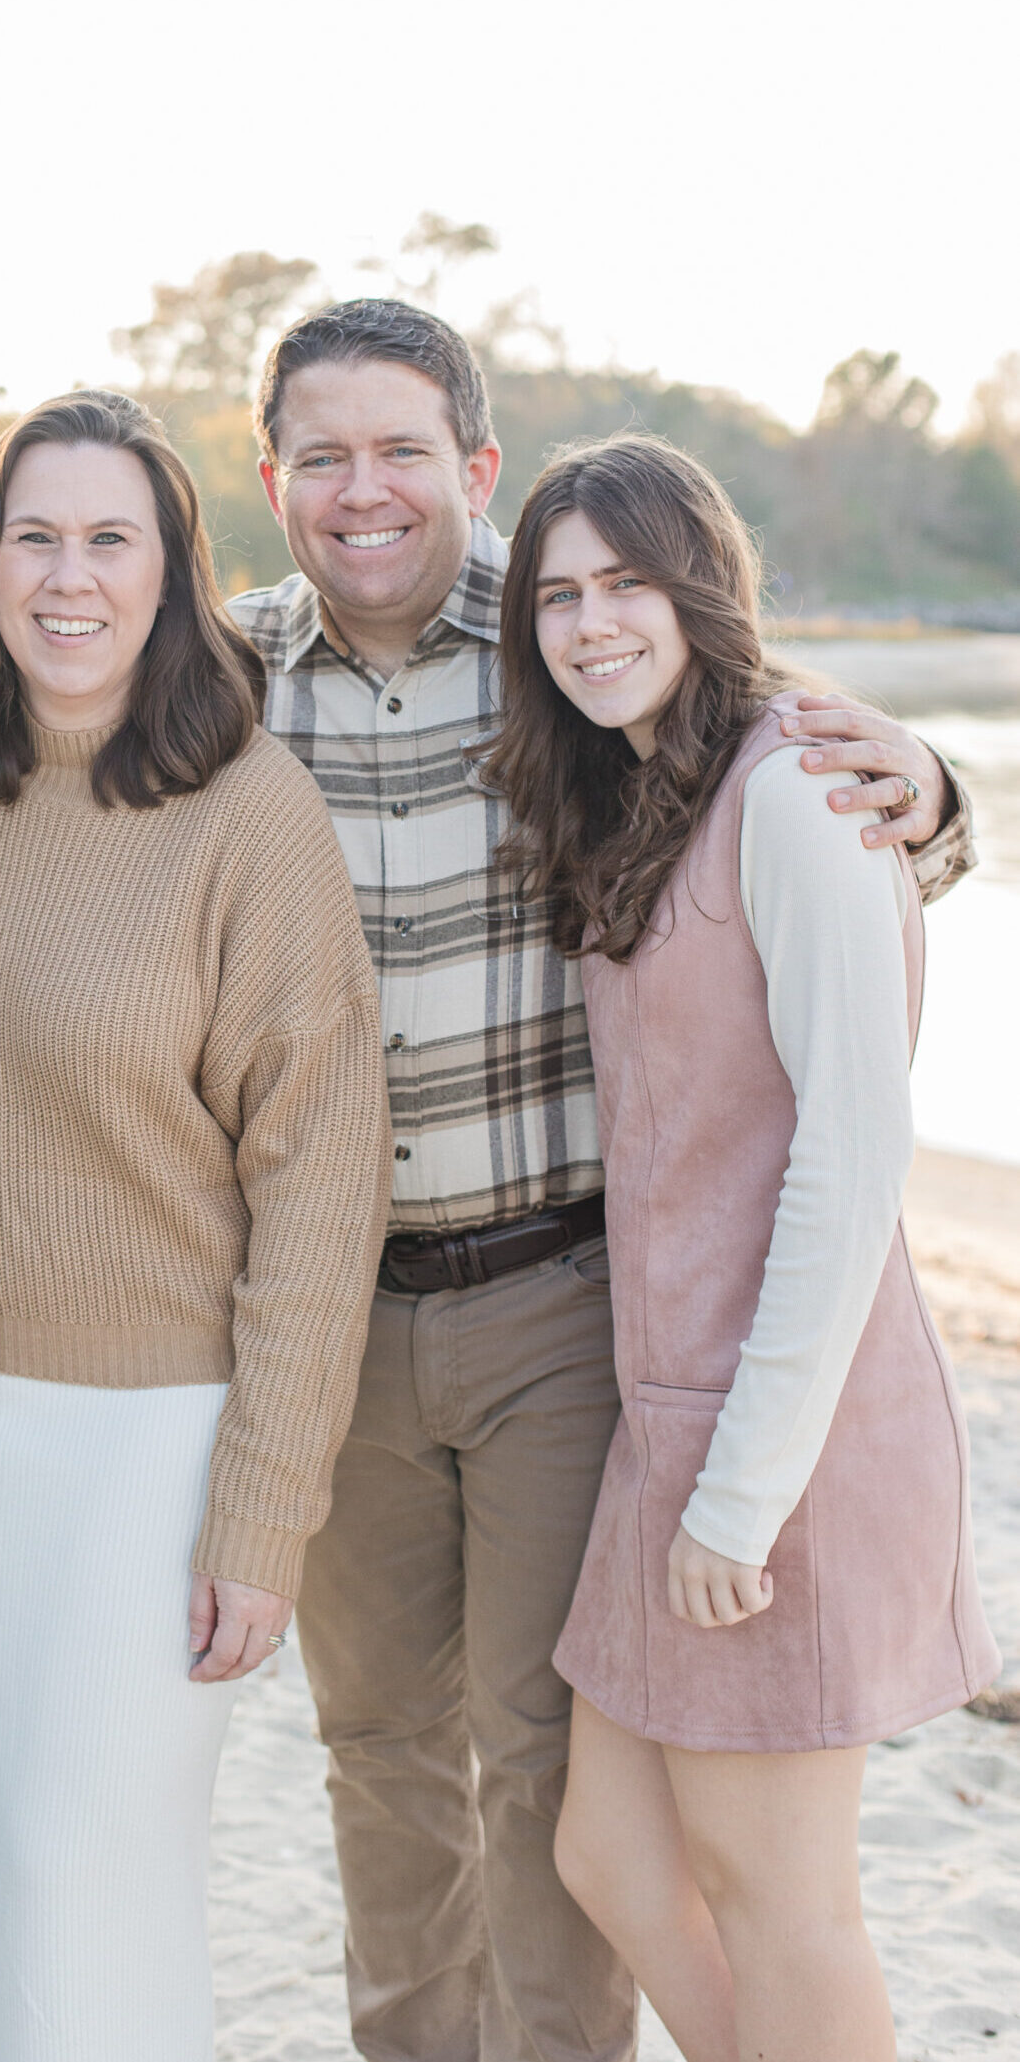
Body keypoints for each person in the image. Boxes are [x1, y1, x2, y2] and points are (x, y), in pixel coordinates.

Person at [227, 298, 977, 2062]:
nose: (364, 489)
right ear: (272, 480)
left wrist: (936, 796)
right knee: (420, 1772)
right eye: (321, 455)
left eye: (402, 448)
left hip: (577, 1310)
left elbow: (815, 913)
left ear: (472, 467)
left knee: (592, 1797)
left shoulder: (572, 639)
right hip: (358, 1318)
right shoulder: (227, 672)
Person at [0, 388, 391, 2060]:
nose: (67, 578)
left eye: (110, 541)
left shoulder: (250, 811)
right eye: (35, 538)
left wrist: (266, 1507)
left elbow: (321, 1176)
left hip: (161, 1427)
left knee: (79, 1855)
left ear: (171, 573)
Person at [483, 433, 997, 2062]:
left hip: (791, 1436)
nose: (590, 622)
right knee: (611, 1855)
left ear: (700, 584)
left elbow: (853, 1160)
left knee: (782, 1895)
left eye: (627, 580)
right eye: (559, 593)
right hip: (673, 1417)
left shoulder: (797, 785)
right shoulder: (649, 793)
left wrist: (745, 1489)